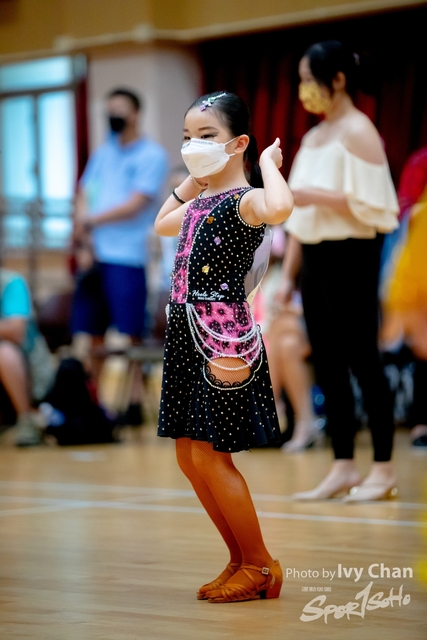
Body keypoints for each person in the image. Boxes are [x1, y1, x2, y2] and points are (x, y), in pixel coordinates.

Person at [154, 91, 293, 602]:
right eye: (187, 137)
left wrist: (267, 163)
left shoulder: (246, 200)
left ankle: (260, 565)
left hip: (223, 338)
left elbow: (280, 206)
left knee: (212, 456)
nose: (193, 145)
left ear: (238, 143)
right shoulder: (199, 202)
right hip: (184, 333)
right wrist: (196, 176)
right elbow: (162, 223)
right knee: (189, 457)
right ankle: (239, 559)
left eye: (206, 136)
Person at [276, 41, 399, 501]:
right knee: (327, 362)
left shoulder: (360, 131)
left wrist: (314, 196)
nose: (304, 88)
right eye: (301, 80)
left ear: (339, 79)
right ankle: (343, 465)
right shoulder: (313, 138)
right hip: (315, 258)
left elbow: (376, 206)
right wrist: (288, 278)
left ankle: (383, 469)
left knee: (363, 360)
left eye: (310, 79)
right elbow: (299, 220)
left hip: (353, 254)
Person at [71, 87, 169, 422]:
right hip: (95, 255)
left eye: (119, 109)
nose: (113, 115)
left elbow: (137, 203)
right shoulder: (103, 153)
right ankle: (93, 404)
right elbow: (84, 192)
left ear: (135, 114)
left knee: (131, 333)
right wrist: (84, 234)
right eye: (108, 108)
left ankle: (134, 401)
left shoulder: (152, 155)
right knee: (92, 332)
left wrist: (91, 220)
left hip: (127, 257)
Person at [383, 147, 427, 447]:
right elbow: (406, 214)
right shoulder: (421, 161)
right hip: (416, 272)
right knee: (421, 348)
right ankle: (421, 421)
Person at [0, 268, 55, 446]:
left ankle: (27, 419)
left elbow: (16, 331)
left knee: (4, 352)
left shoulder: (10, 283)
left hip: (29, 367)